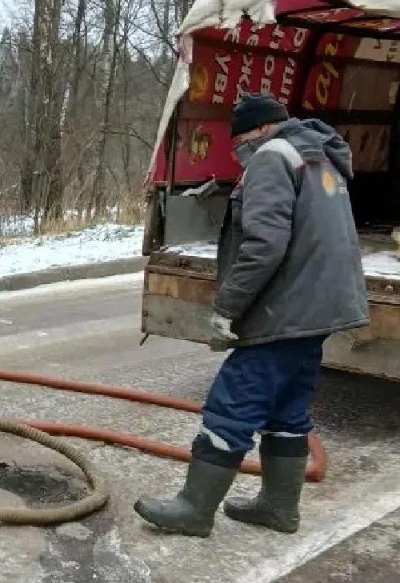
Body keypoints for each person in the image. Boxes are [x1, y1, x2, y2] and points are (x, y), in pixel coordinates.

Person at [135, 92, 370, 537]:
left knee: (232, 401)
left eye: (240, 138)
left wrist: (228, 308)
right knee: (286, 407)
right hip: (320, 306)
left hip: (286, 308)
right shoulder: (319, 154)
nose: (239, 150)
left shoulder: (272, 158)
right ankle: (279, 508)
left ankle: (194, 508)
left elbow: (263, 245)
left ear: (260, 129)